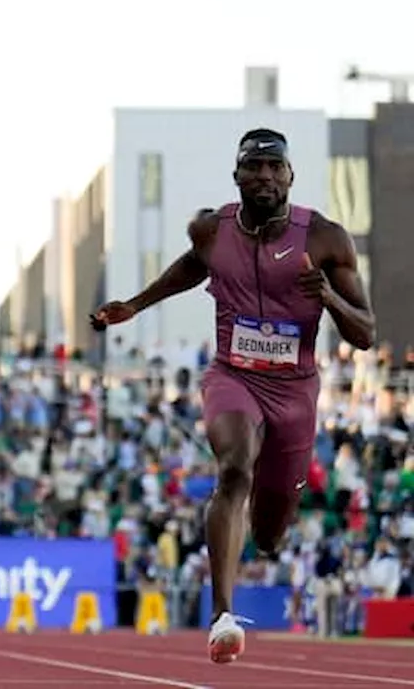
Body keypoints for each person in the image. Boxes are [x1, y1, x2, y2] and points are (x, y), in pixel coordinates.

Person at [90, 128, 374, 663]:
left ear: (291, 176)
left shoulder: (326, 239)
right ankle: (223, 616)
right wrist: (134, 304)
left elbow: (366, 334)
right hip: (233, 375)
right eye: (254, 167)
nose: (265, 176)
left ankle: (264, 537)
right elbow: (192, 267)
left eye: (275, 167)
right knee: (234, 470)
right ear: (237, 175)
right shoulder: (210, 229)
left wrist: (329, 296)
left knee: (269, 532)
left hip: (295, 392)